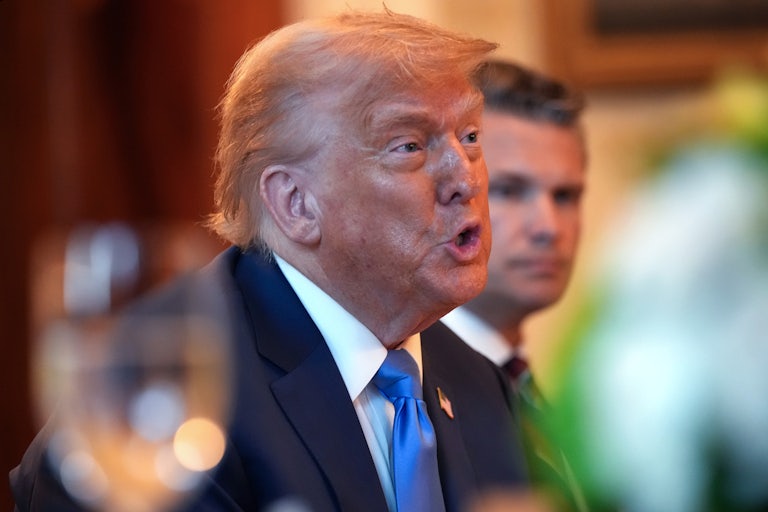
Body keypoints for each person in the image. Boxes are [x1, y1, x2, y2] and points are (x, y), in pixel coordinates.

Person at [10, 10, 530, 512]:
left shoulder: (479, 384)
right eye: (409, 146)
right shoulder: (158, 394)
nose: (466, 179)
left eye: (470, 136)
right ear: (296, 204)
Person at [439, 60, 587, 510]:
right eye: (509, 190)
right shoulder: (410, 395)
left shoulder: (537, 389)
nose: (548, 227)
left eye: (565, 196)